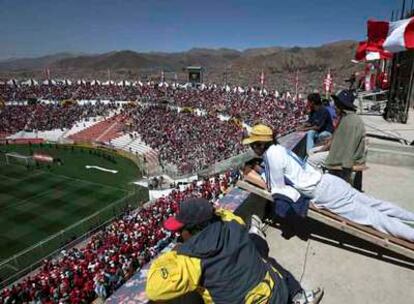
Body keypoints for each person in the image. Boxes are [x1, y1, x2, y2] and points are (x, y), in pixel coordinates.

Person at [242, 124, 414, 242]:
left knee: (376, 219)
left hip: (324, 193)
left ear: (259, 145)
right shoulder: (279, 149)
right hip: (328, 181)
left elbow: (276, 188)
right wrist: (261, 169)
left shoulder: (271, 155)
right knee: (377, 205)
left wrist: (253, 173)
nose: (252, 148)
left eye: (253, 145)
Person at [145, 198, 323, 304]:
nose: (177, 235)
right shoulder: (233, 222)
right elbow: (222, 213)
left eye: (179, 231)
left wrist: (174, 253)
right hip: (279, 295)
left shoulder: (189, 259)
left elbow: (153, 290)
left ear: (191, 229)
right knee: (263, 254)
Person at [324, 90, 366, 183]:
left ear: (341, 106)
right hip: (340, 156)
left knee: (312, 160)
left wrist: (345, 166)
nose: (334, 107)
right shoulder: (347, 118)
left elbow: (350, 146)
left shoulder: (350, 121)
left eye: (336, 105)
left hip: (342, 160)